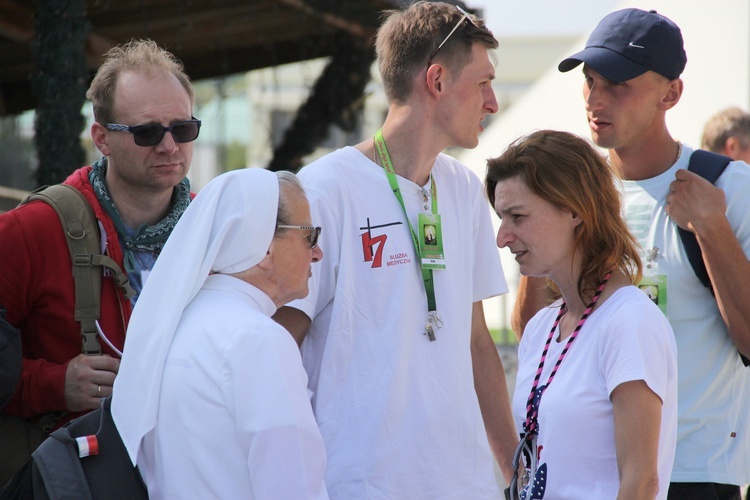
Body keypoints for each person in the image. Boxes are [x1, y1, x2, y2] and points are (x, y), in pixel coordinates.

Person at [273, 2, 517, 497]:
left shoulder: (466, 189)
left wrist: (517, 470)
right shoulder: (324, 190)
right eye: (484, 82)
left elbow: (474, 341)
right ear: (437, 80)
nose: (493, 102)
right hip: (356, 485)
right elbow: (278, 341)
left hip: (462, 484)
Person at [516, 8, 750, 499]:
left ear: (671, 93)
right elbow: (534, 335)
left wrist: (711, 228)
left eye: (618, 84)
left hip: (693, 471)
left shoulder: (731, 188)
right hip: (587, 473)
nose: (596, 99)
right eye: (590, 80)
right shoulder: (569, 194)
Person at [0, 39, 198, 482]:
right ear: (102, 138)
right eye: (147, 132)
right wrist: (52, 384)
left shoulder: (214, 230)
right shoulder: (33, 231)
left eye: (183, 129)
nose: (169, 146)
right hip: (75, 476)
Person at [111, 168, 327, 499]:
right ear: (265, 247)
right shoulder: (259, 340)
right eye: (309, 235)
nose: (317, 252)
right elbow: (292, 486)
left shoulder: (183, 320)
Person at [488, 129, 677, 499]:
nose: (502, 237)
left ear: (575, 210)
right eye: (500, 217)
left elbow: (641, 483)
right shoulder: (543, 327)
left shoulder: (628, 322)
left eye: (517, 216)